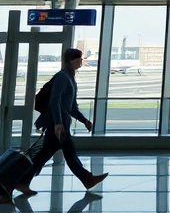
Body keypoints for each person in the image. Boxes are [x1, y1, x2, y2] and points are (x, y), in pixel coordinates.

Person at [11, 48, 108, 198]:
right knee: (58, 154)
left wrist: (84, 121)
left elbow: (71, 106)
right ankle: (86, 179)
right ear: (72, 60)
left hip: (61, 123)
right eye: (80, 59)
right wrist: (57, 123)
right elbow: (54, 100)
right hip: (57, 124)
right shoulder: (63, 77)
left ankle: (22, 181)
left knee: (53, 153)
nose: (82, 61)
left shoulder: (70, 77)